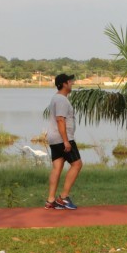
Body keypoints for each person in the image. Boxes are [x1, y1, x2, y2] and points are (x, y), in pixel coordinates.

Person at [45, 73, 82, 210]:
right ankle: (63, 198)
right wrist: (66, 141)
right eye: (70, 81)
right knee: (77, 164)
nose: (72, 83)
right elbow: (60, 120)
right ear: (64, 84)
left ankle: (50, 200)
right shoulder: (61, 100)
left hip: (54, 138)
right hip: (62, 139)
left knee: (57, 167)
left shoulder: (56, 98)